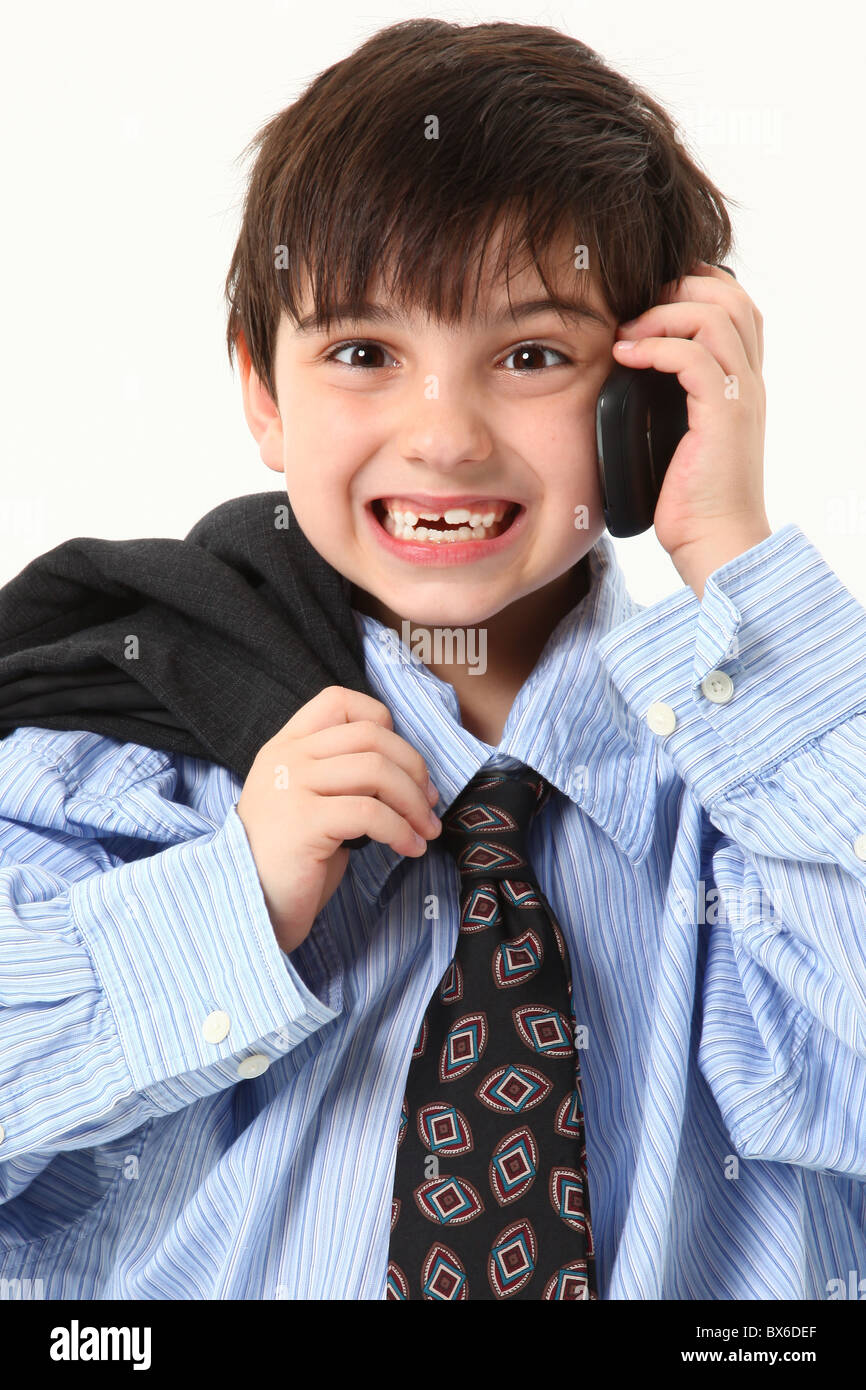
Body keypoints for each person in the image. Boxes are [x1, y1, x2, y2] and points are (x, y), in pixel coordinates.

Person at [1, 17, 865, 1302]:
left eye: (529, 355)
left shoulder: (769, 800)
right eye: (363, 354)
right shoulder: (120, 755)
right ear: (261, 390)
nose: (443, 437)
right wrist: (229, 906)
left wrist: (732, 558)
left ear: (654, 400)